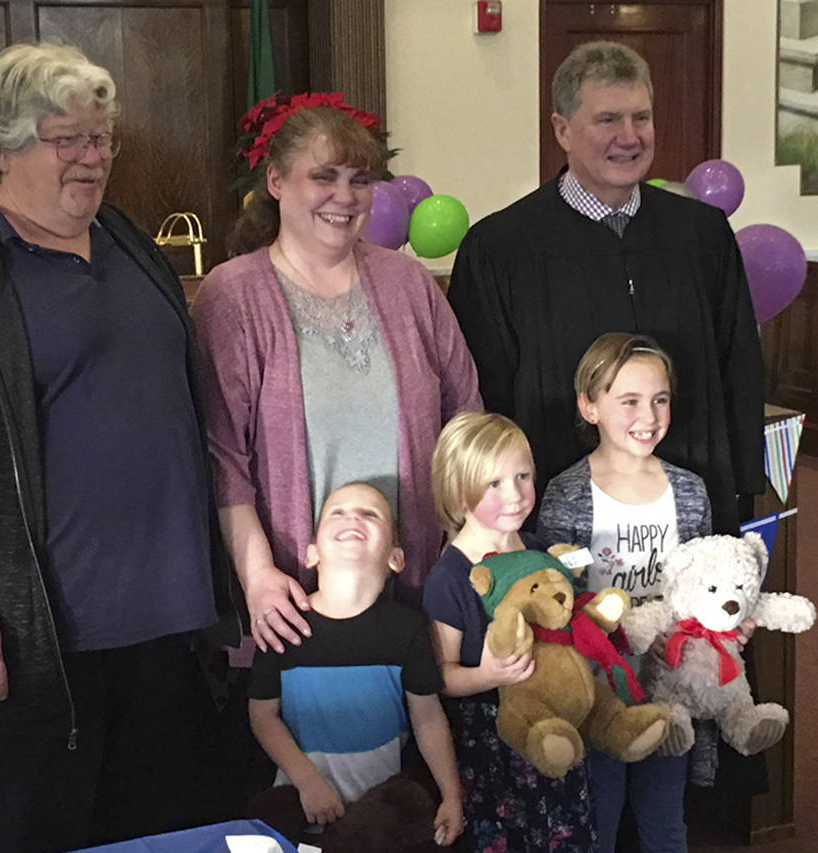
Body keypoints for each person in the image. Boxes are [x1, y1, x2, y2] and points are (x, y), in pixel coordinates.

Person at [0, 42, 239, 853]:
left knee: (169, 833)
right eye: (67, 138)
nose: (93, 157)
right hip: (38, 642)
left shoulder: (127, 239)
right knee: (34, 833)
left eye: (100, 138)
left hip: (166, 626)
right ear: (2, 147)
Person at [193, 95, 481, 655]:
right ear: (276, 181)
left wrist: (464, 535)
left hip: (417, 583)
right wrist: (256, 576)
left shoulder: (409, 284)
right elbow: (221, 455)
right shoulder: (233, 296)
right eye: (323, 177)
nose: (344, 197)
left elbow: (466, 414)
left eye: (360, 180)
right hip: (295, 600)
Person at [446, 40, 764, 539]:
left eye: (642, 117)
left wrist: (743, 483)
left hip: (690, 504)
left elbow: (738, 364)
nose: (630, 136)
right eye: (608, 119)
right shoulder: (502, 248)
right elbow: (487, 394)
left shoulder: (701, 236)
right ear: (562, 130)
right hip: (561, 513)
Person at [535, 333, 715, 852]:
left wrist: (718, 626)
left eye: (660, 399)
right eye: (629, 401)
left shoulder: (688, 490)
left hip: (669, 686)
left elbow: (706, 583)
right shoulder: (567, 493)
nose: (649, 415)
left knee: (664, 816)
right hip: (601, 690)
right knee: (599, 814)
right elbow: (555, 597)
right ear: (589, 406)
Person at [245, 482, 465, 851]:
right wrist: (307, 782)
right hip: (300, 809)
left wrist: (451, 794)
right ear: (312, 552)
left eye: (370, 514)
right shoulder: (283, 623)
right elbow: (262, 715)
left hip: (379, 818)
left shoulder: (407, 629)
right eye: (338, 512)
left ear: (396, 557)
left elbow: (427, 715)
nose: (352, 518)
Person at [421, 411, 597, 851]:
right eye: (493, 484)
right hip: (492, 750)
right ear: (459, 497)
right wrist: (487, 675)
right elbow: (436, 679)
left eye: (522, 476)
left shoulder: (540, 550)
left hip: (555, 730)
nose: (515, 494)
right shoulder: (450, 577)